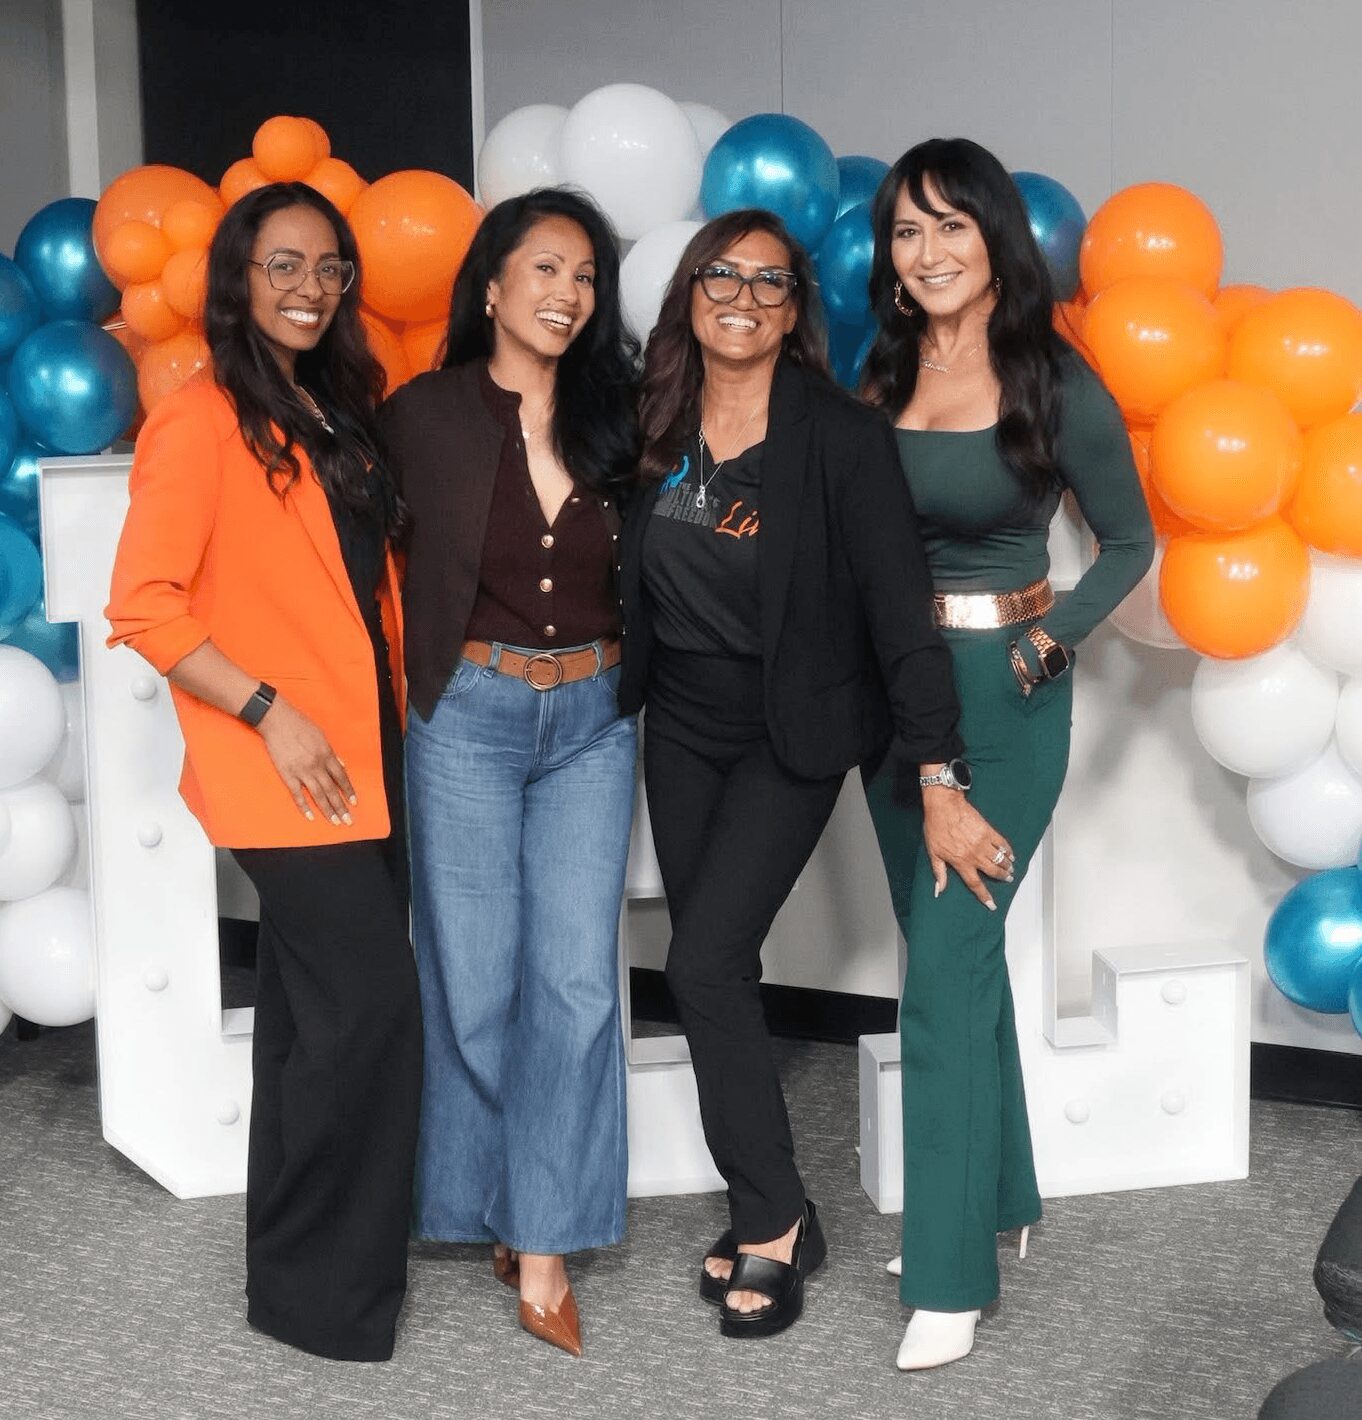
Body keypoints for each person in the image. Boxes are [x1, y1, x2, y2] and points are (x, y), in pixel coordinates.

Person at [618, 209, 1012, 1340]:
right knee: (716, 970)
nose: (741, 297)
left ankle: (775, 1221)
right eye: (720, 276)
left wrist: (940, 768)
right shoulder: (653, 420)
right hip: (678, 725)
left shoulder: (839, 436)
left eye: (770, 282)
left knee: (697, 959)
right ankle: (774, 1202)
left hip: (788, 732)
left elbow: (901, 615)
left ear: (797, 311)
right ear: (690, 291)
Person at [105, 182, 421, 1362]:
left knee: (305, 1021)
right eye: (282, 263)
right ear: (239, 275)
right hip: (283, 756)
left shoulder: (337, 402)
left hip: (366, 747)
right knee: (374, 1010)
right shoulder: (197, 418)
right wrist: (270, 710)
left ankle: (294, 1282)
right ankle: (334, 1299)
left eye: (329, 267)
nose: (309, 287)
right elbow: (143, 603)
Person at [860, 137, 1155, 1370]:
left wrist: (1057, 641)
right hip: (897, 702)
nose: (924, 254)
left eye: (950, 229)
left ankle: (950, 1276)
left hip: (1006, 695)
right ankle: (999, 1197)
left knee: (940, 971)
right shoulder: (876, 374)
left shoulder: (1055, 381)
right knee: (955, 959)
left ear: (995, 243)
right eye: (905, 232)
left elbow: (1133, 544)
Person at [380, 188, 640, 1358]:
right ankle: (489, 1196)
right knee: (475, 982)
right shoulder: (420, 414)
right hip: (467, 717)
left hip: (594, 717)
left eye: (584, 276)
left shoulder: (621, 417)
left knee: (578, 981)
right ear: (489, 283)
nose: (565, 294)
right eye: (543, 268)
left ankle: (543, 1236)